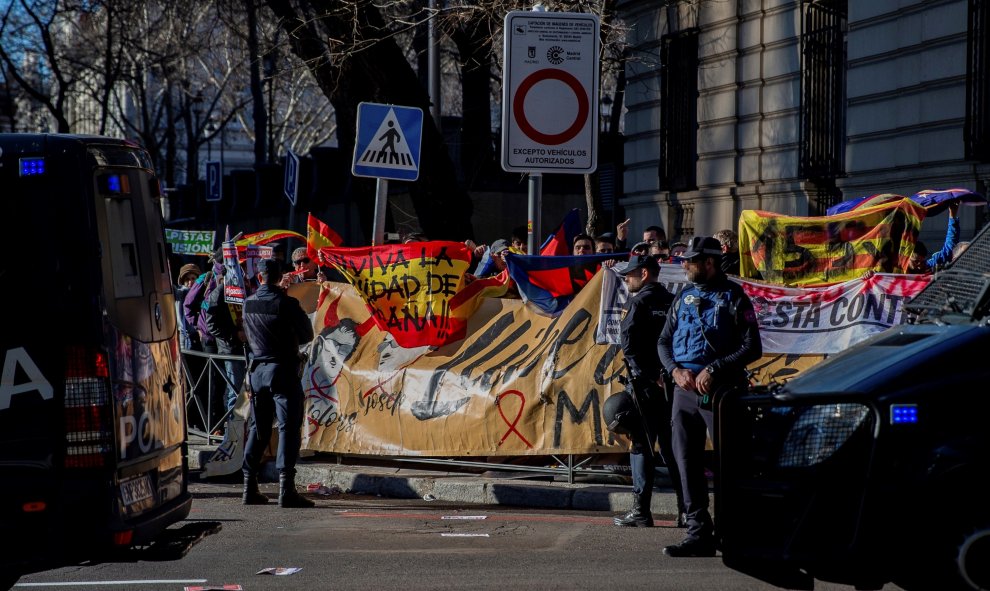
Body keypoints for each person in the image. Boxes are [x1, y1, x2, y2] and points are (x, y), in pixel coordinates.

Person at [658, 236, 762, 557]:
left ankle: (734, 532)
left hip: (722, 392)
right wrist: (675, 370)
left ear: (709, 263)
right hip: (684, 391)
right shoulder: (683, 296)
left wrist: (715, 369)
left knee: (730, 463)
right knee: (686, 460)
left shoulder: (734, 297)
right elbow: (663, 342)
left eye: (691, 261)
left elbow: (752, 347)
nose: (685, 265)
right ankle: (698, 532)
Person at [613, 254, 685, 528]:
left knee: (641, 446)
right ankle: (685, 510)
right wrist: (670, 372)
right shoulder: (672, 301)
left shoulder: (638, 301)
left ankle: (641, 511)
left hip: (646, 387)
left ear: (644, 274)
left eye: (629, 275)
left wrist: (647, 375)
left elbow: (628, 344)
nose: (626, 280)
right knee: (673, 448)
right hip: (673, 383)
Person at [241, 258, 316, 508]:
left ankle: (249, 487)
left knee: (258, 428)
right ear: (279, 276)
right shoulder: (286, 303)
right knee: (287, 427)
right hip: (282, 370)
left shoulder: (248, 303)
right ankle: (287, 490)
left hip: (257, 371)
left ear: (260, 277)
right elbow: (308, 334)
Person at [908, 200, 960, 273]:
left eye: (922, 262)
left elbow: (949, 248)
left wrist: (953, 216)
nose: (920, 267)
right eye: (916, 262)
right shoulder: (896, 270)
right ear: (907, 258)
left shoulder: (929, 266)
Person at [175, 263, 201, 351]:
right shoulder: (181, 292)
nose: (190, 282)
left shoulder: (202, 293)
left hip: (200, 334)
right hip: (186, 336)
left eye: (193, 278)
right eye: (187, 279)